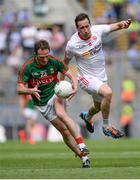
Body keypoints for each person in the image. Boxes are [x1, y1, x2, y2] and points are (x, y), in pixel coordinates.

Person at [17, 40, 90, 168]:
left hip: (56, 93)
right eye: (41, 57)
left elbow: (68, 72)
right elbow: (19, 89)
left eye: (46, 56)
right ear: (35, 55)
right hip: (42, 103)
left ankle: (81, 144)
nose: (45, 60)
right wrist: (30, 90)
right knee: (65, 133)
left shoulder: (53, 61)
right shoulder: (28, 67)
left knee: (61, 114)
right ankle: (83, 156)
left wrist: (74, 84)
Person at [64, 13, 131, 138]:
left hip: (101, 77)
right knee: (108, 93)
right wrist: (62, 82)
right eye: (82, 28)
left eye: (87, 26)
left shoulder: (96, 31)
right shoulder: (72, 44)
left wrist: (123, 25)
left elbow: (113, 26)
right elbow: (64, 63)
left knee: (98, 106)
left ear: (90, 25)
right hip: (85, 78)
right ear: (77, 29)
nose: (85, 30)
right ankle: (106, 126)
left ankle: (87, 117)